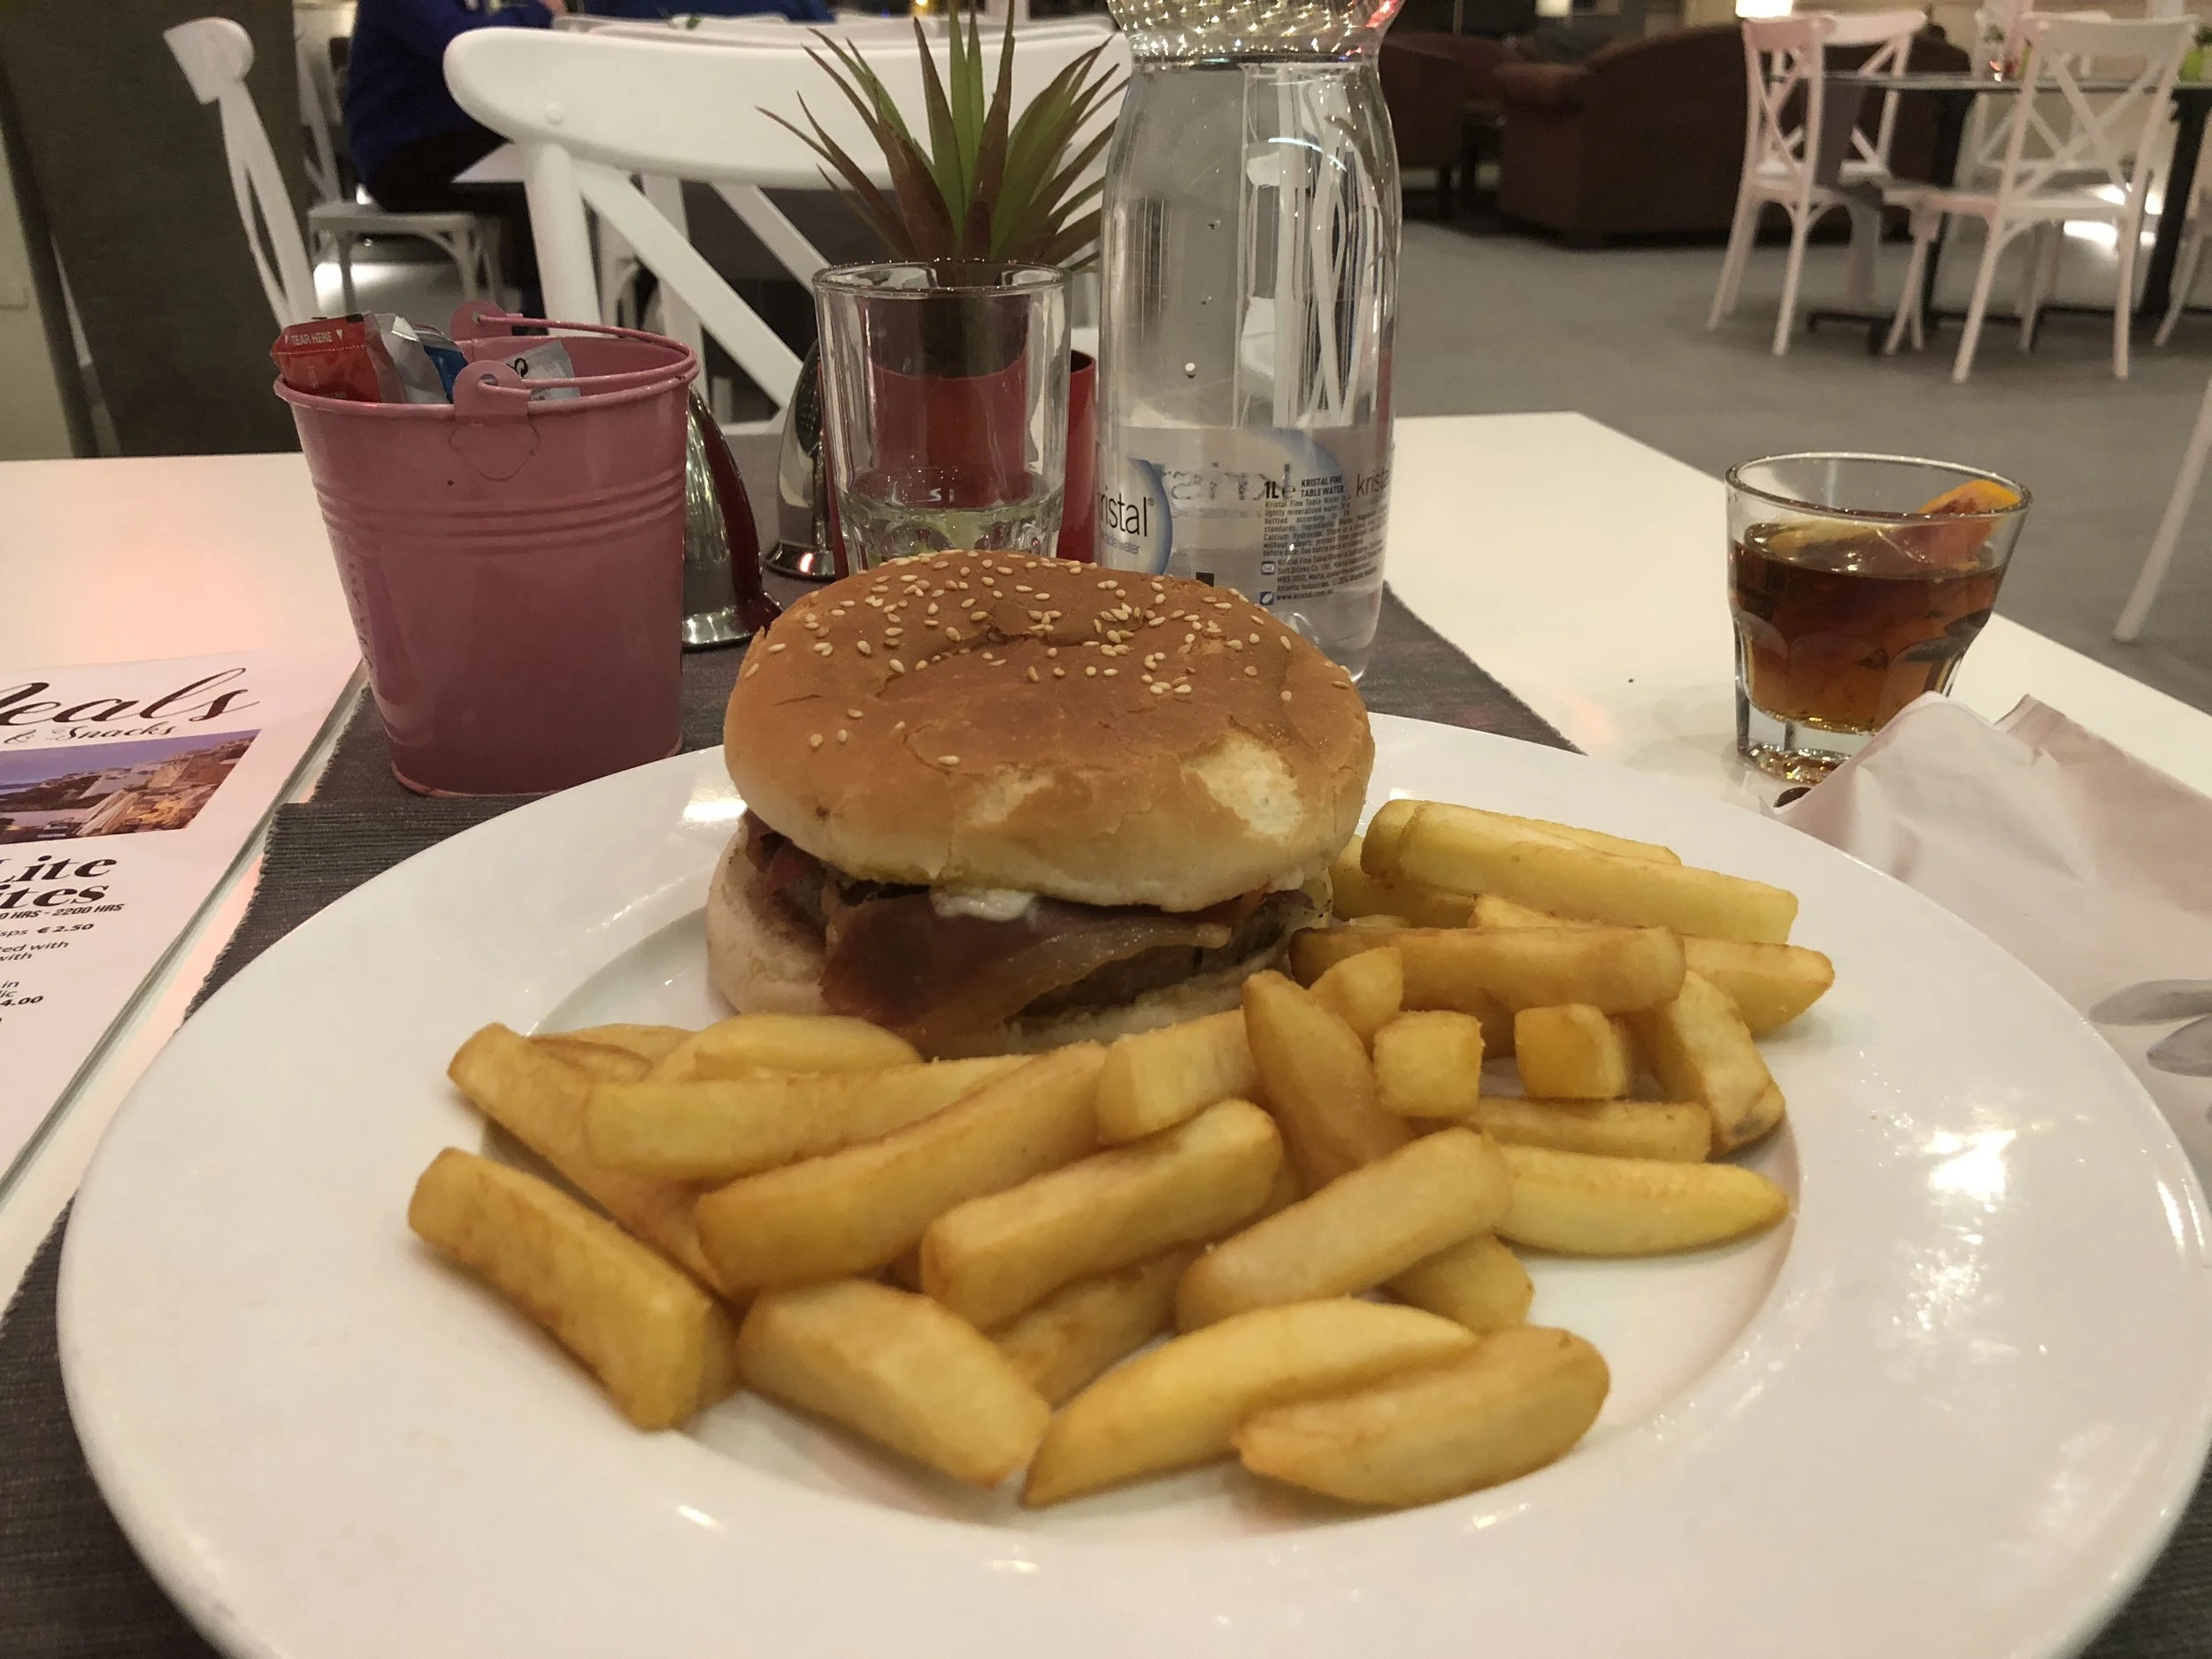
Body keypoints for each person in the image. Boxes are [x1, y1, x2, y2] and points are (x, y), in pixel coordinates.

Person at [343, 0, 832, 311]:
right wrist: (541, 10)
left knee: (571, 174)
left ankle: (605, 312)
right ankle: (551, 332)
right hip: (403, 155)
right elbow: (462, 45)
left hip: (446, 139)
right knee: (552, 187)